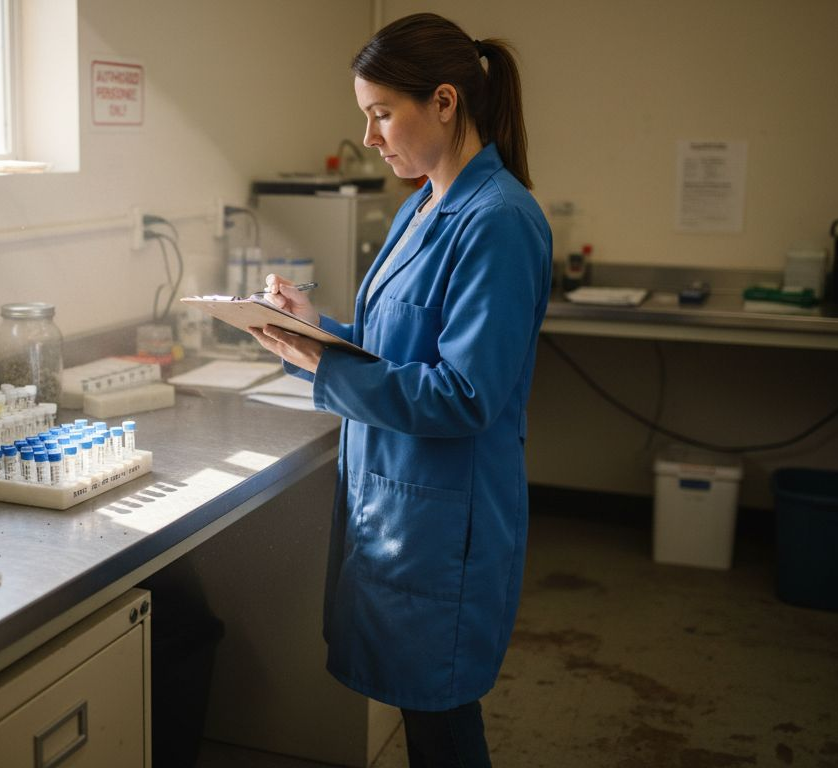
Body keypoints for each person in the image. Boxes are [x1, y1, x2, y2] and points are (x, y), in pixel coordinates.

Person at [248, 12, 552, 768]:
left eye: (383, 114)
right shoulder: (422, 207)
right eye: (367, 118)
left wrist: (328, 368)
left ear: (444, 102)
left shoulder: (499, 221)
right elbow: (398, 348)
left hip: (446, 524)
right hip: (401, 504)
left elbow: (464, 395)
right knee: (428, 725)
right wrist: (313, 332)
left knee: (444, 730)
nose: (372, 138)